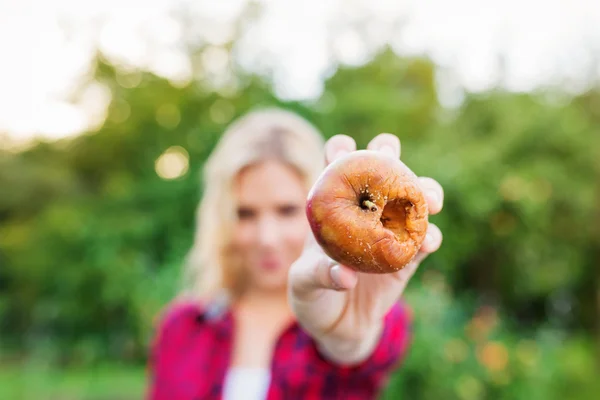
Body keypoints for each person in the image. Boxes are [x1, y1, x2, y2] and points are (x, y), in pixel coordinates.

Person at [147, 107, 444, 400]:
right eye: (245, 213)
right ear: (222, 219)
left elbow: (368, 349)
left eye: (287, 210)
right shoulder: (183, 328)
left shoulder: (350, 310)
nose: (267, 238)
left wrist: (347, 342)